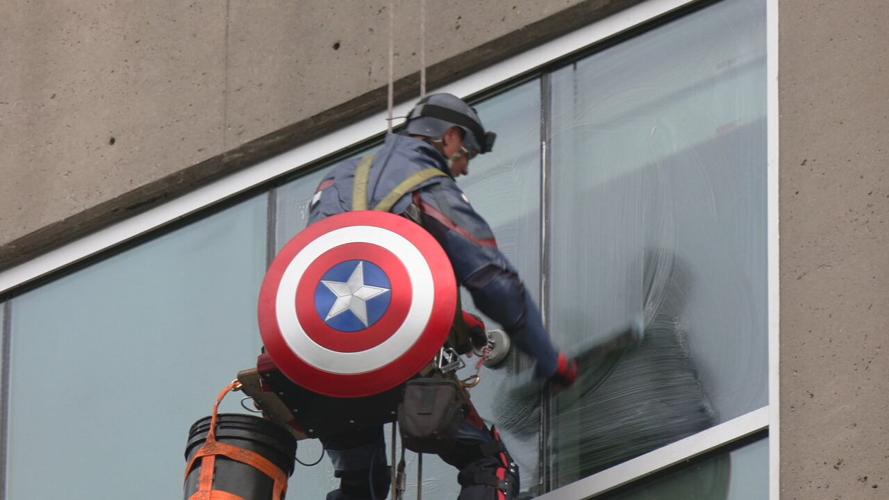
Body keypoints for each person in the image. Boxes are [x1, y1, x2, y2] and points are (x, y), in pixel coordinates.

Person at [306, 93, 577, 500]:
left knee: (362, 484)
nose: (464, 167)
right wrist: (544, 354)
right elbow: (491, 280)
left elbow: (331, 269)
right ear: (449, 137)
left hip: (314, 359)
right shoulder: (428, 187)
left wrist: (447, 319)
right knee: (489, 463)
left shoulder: (334, 180)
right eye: (467, 151)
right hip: (393, 356)